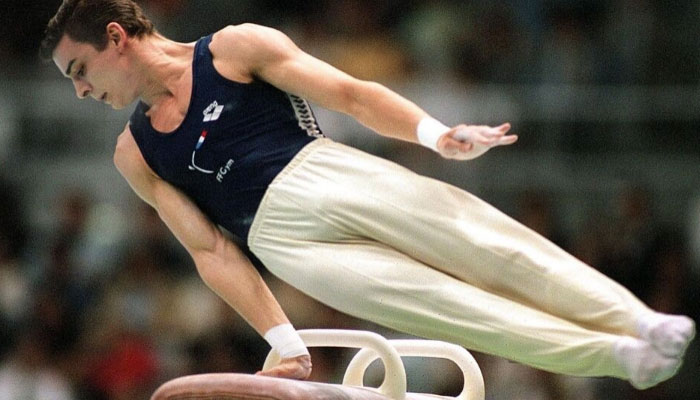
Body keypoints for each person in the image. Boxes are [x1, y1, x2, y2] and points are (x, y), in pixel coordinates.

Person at [41, 0, 694, 390]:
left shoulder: (234, 50)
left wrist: (435, 134)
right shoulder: (135, 153)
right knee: (447, 309)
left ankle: (637, 319)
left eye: (79, 70)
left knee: (484, 245)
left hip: (325, 173)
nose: (80, 90)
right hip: (284, 247)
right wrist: (284, 339)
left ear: (116, 39)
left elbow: (351, 94)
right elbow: (210, 249)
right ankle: (619, 356)